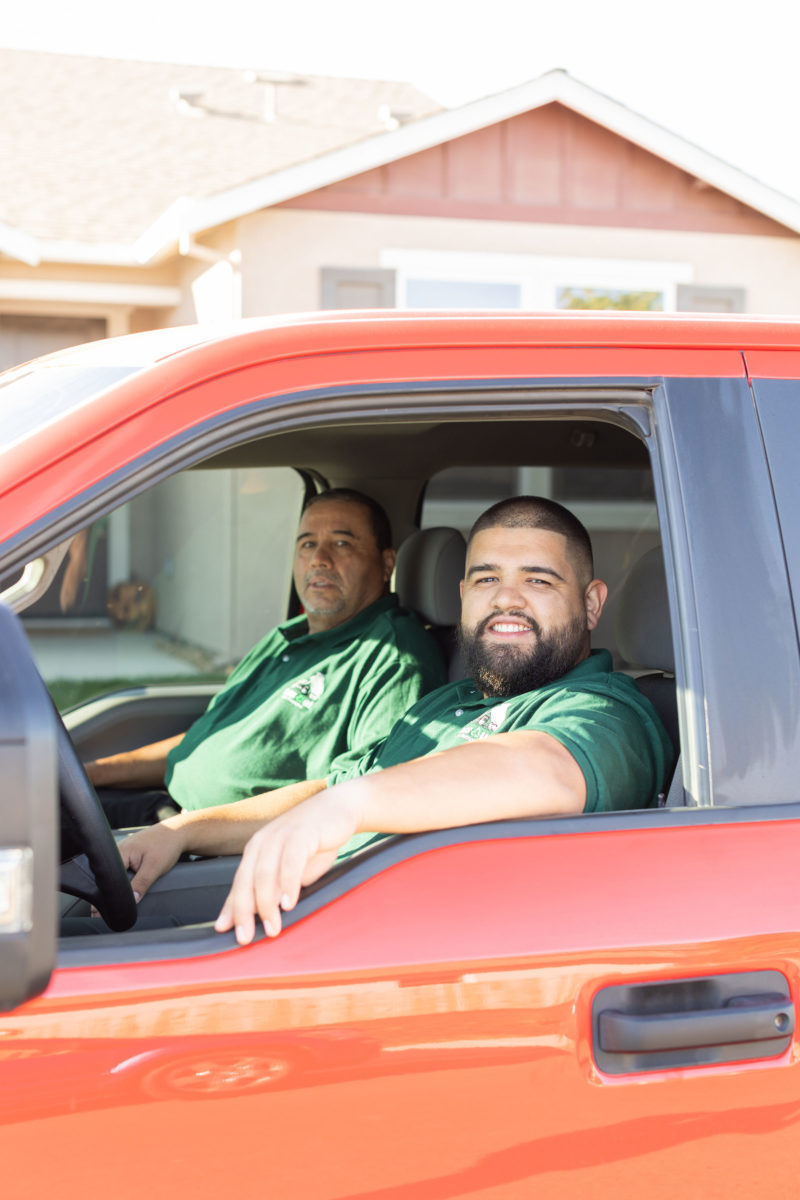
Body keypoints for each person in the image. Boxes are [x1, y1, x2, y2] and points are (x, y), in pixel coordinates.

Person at [118, 495, 673, 941]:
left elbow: (545, 768)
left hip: (391, 954)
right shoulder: (447, 704)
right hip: (313, 918)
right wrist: (181, 830)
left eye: (538, 580)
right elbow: (330, 787)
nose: (506, 599)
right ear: (462, 596)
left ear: (592, 603)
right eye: (485, 579)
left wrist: (347, 809)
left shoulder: (607, 712)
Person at [85, 489, 446, 829]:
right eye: (307, 544)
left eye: (341, 543)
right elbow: (207, 739)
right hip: (171, 815)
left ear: (386, 564)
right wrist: (93, 774)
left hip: (221, 851)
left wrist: (187, 833)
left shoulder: (395, 659)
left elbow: (363, 796)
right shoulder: (290, 635)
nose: (319, 559)